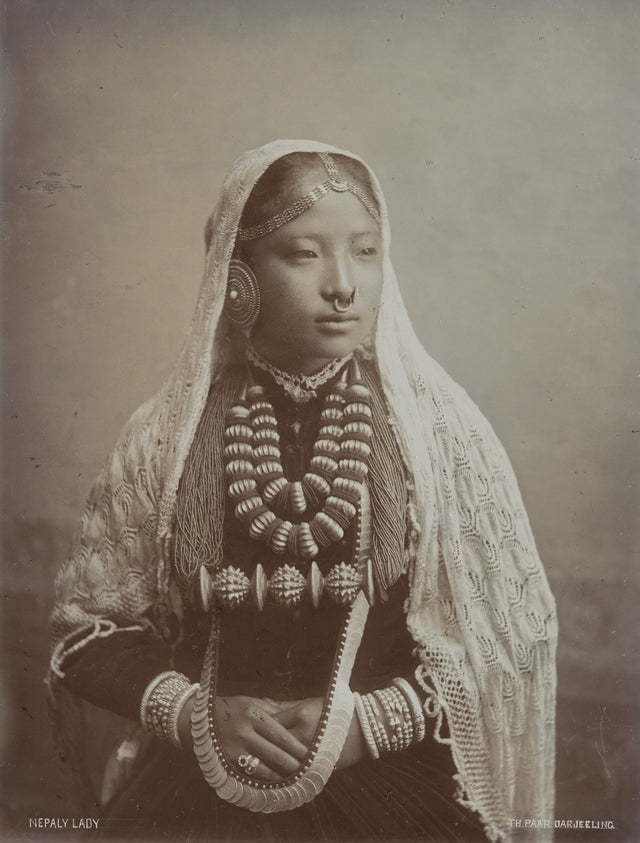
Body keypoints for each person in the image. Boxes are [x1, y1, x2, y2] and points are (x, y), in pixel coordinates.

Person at [48, 139, 557, 842]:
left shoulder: (439, 437)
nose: (343, 284)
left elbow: (509, 639)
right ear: (239, 280)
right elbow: (84, 635)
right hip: (197, 789)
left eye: (366, 251)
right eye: (304, 254)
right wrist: (195, 709)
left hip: (394, 789)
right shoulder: (168, 437)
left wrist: (370, 723)